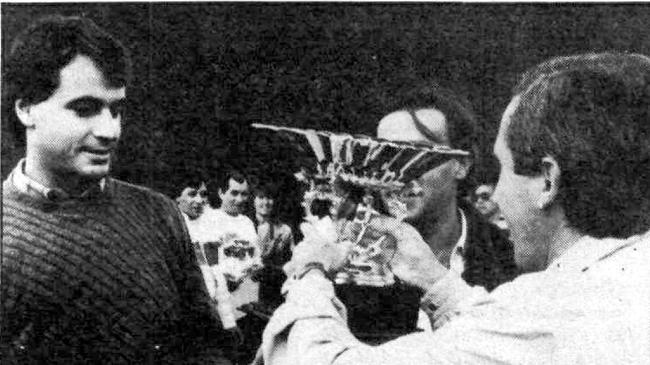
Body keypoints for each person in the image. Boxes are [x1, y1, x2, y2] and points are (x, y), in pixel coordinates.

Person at [255, 52, 650, 364]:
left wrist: (310, 272)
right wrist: (436, 282)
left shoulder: (545, 306)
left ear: (548, 181)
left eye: (502, 169)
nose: (496, 195)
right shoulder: (623, 279)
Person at [1, 15, 230, 364]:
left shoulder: (159, 214)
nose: (110, 130)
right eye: (85, 109)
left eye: (116, 109)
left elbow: (207, 344)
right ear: (26, 109)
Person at [334, 84, 518, 341]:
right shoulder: (343, 261)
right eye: (385, 154)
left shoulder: (512, 262)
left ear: (461, 165)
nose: (396, 172)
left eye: (417, 155)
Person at [208, 170, 262, 364]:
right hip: (221, 304)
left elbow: (255, 257)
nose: (239, 199)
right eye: (234, 193)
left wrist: (256, 269)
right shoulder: (209, 219)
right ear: (221, 192)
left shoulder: (247, 222)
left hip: (246, 303)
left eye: (244, 194)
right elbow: (206, 263)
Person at [251, 183, 295, 307]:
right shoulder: (245, 225)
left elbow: (292, 260)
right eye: (261, 197)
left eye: (269, 198)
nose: (265, 202)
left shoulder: (284, 230)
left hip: (271, 286)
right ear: (253, 200)